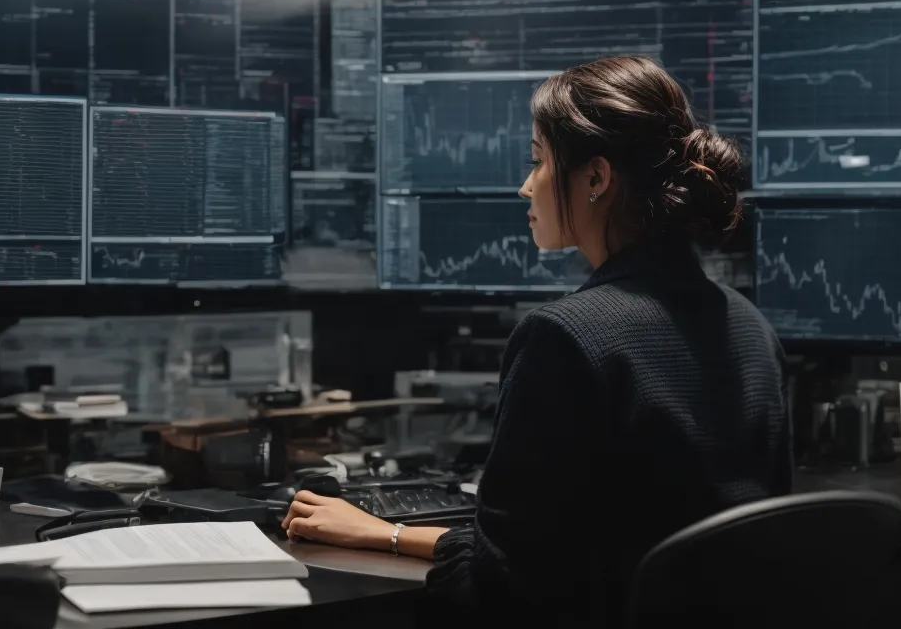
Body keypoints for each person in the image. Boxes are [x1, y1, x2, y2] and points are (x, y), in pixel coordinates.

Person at [282, 55, 789, 625]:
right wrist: (393, 532)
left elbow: (503, 589)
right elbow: (594, 552)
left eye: (539, 161)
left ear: (596, 178)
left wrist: (390, 535)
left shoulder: (567, 337)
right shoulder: (750, 325)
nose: (525, 187)